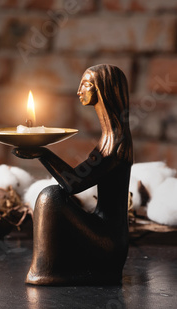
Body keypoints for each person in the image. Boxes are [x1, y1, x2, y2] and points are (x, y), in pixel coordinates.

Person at [13, 64, 133, 285]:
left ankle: (46, 272)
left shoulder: (116, 144)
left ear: (103, 91)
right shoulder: (109, 139)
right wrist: (42, 153)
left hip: (109, 243)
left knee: (51, 198)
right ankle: (50, 268)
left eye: (86, 85)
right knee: (51, 195)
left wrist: (43, 153)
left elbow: (73, 184)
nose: (79, 91)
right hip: (102, 230)